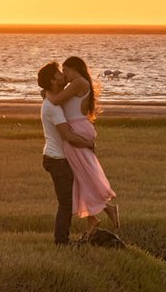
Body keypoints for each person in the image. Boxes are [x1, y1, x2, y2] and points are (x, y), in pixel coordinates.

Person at [44, 55, 120, 235]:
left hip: (76, 129)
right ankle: (96, 215)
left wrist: (46, 91)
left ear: (73, 68)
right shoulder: (78, 84)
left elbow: (55, 100)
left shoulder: (78, 82)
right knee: (79, 173)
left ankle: (106, 208)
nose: (64, 74)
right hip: (76, 127)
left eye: (66, 70)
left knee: (84, 172)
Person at [37, 61, 98, 245]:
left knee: (68, 200)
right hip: (57, 160)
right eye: (59, 72)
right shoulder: (53, 107)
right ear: (54, 80)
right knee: (65, 204)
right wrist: (88, 143)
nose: (63, 75)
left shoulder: (54, 102)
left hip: (56, 157)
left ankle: (68, 236)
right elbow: (68, 136)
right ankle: (61, 242)